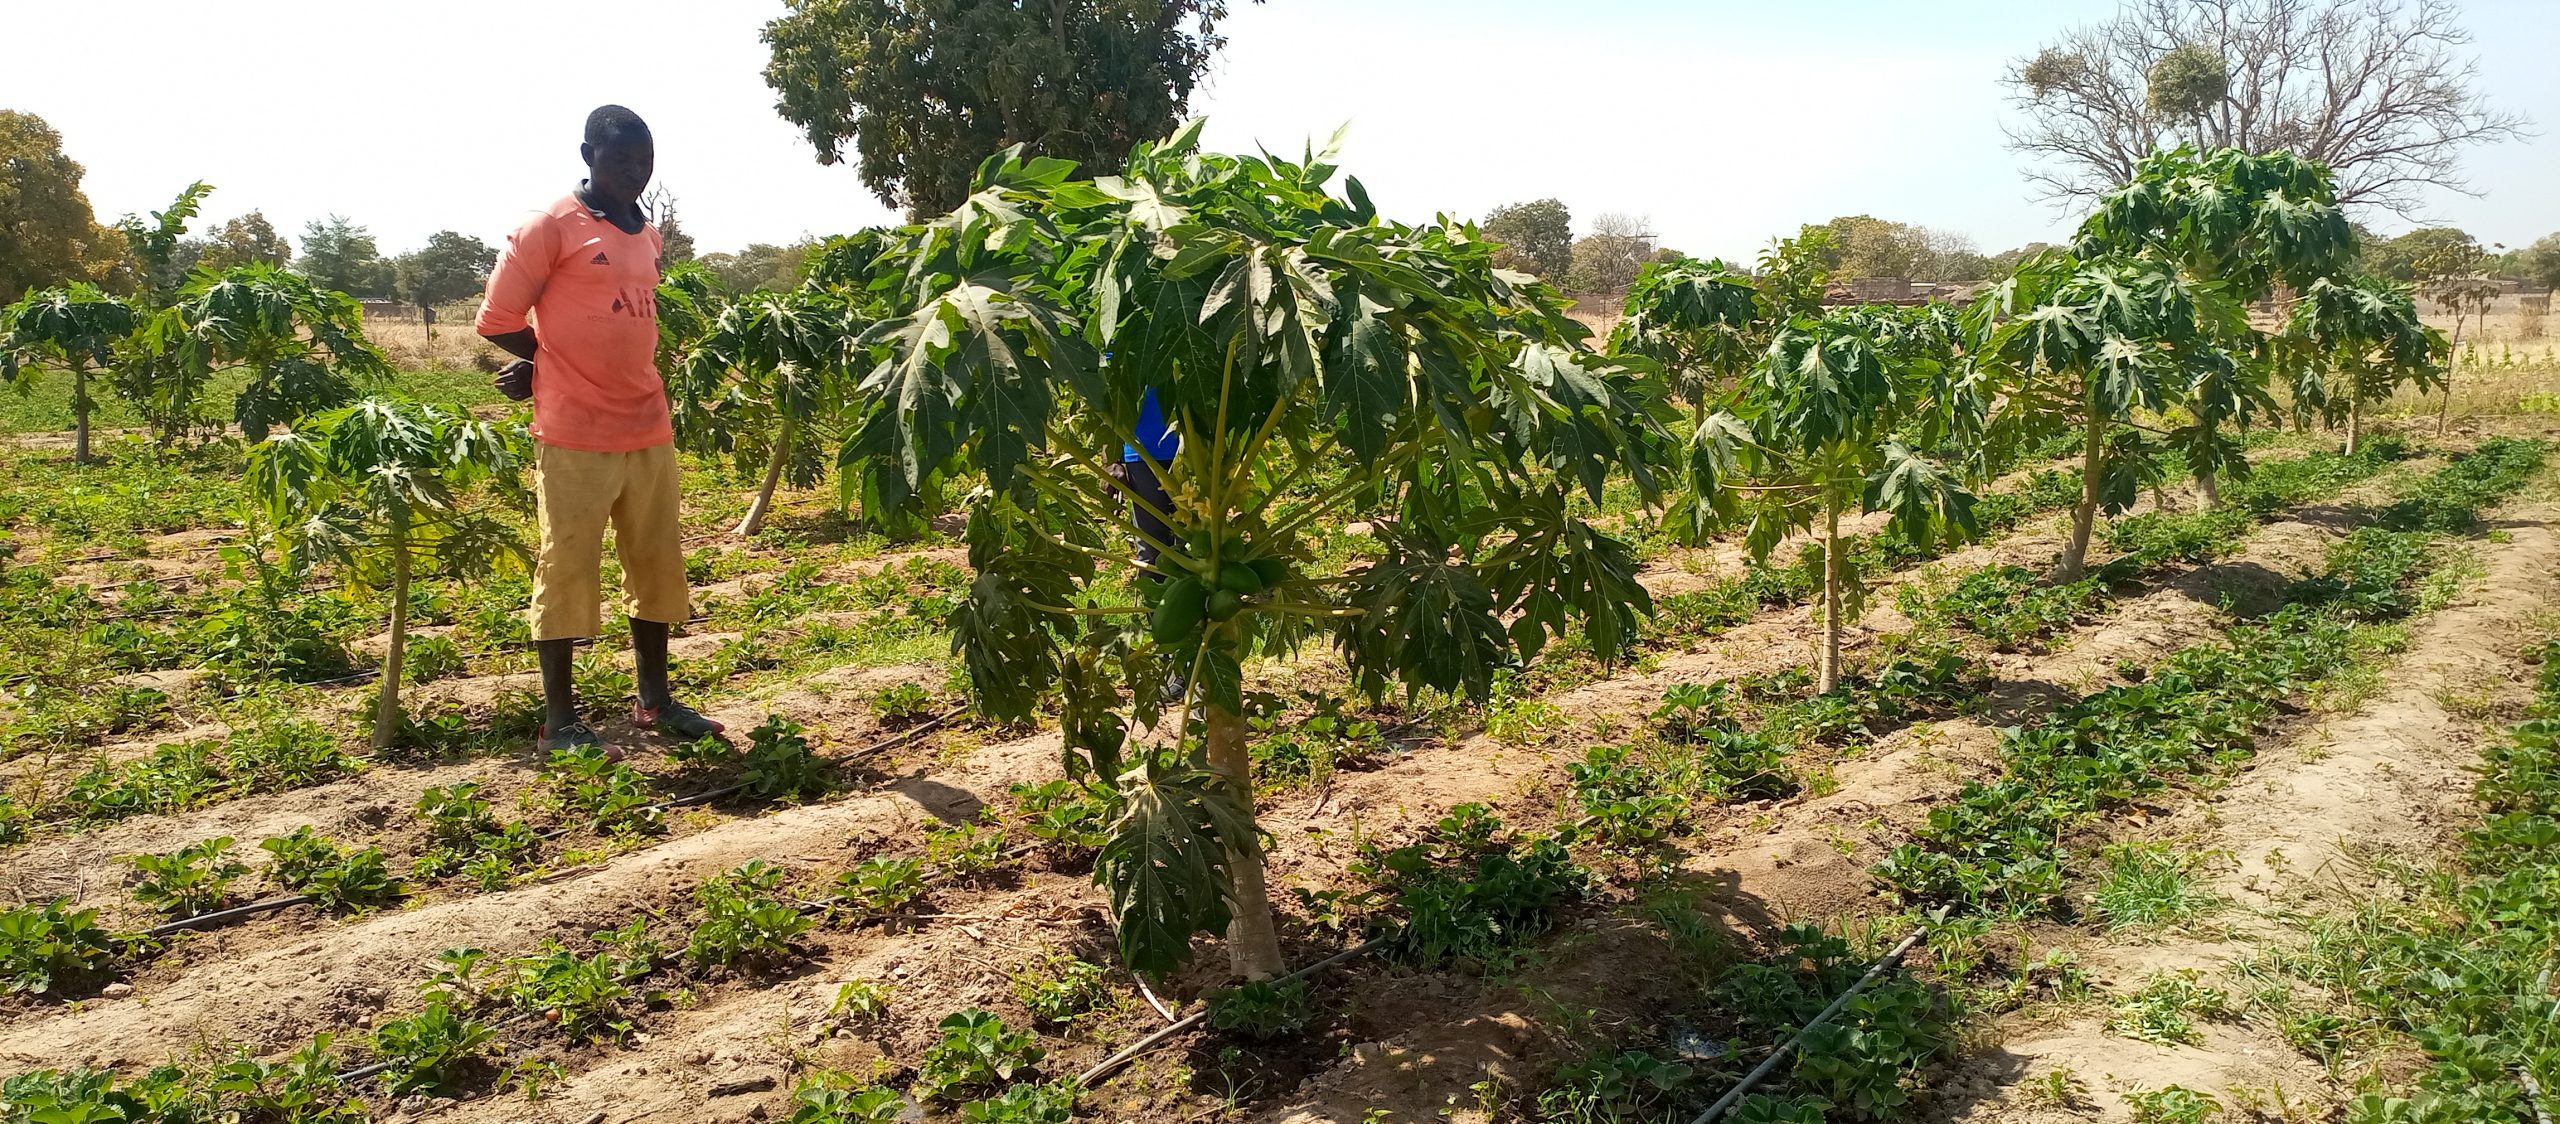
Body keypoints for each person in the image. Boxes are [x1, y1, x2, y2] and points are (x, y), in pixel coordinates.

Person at [477, 104, 723, 759]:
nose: (634, 175)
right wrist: (540, 360)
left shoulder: (646, 233)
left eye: (645, 164)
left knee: (655, 559)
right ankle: (560, 722)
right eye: (621, 163)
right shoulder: (549, 227)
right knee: (568, 567)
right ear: (587, 155)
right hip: (574, 431)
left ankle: (656, 700)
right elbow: (496, 317)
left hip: (647, 422)